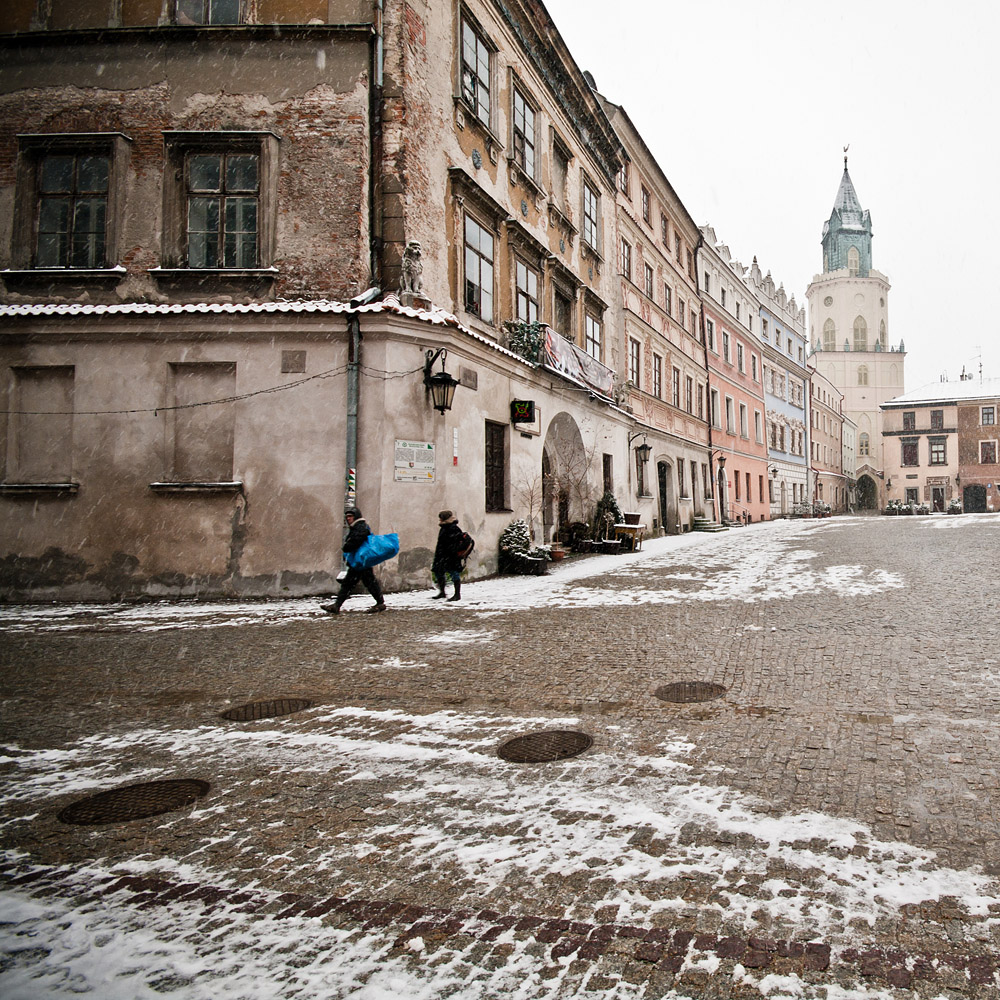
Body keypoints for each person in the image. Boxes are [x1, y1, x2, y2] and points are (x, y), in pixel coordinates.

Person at [320, 507, 386, 614]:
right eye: (347, 516)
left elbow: (357, 539)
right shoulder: (358, 526)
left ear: (356, 517)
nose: (348, 518)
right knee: (365, 582)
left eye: (350, 516)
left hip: (360, 561)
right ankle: (379, 602)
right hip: (360, 561)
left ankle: (337, 606)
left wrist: (347, 547)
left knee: (353, 583)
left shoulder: (360, 526)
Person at [431, 509, 464, 602]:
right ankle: (442, 592)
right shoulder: (445, 527)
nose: (439, 520)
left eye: (440, 518)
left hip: (450, 555)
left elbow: (453, 543)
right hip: (442, 555)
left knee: (454, 573)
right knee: (438, 571)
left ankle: (457, 594)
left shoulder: (453, 528)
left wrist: (449, 553)